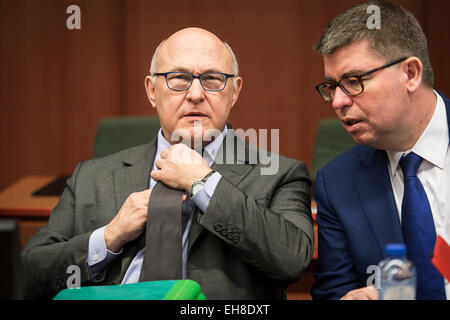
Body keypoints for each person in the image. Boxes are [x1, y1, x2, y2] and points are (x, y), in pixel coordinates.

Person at [20, 27, 313, 300]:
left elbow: (292, 261)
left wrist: (204, 182)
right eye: (179, 79)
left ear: (234, 91)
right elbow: (31, 275)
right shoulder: (91, 176)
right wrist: (110, 237)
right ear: (151, 90)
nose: (196, 94)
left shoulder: (279, 173)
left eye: (212, 79)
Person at [311, 0, 449, 300]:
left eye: (354, 81)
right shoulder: (336, 183)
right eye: (332, 86)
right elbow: (333, 290)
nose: (338, 102)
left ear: (410, 74)